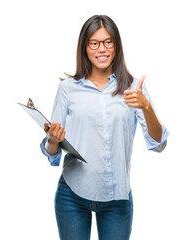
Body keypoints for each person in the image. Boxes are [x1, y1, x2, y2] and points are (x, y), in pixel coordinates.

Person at [40, 15, 169, 240]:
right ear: (85, 48)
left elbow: (158, 144)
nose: (102, 49)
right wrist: (53, 140)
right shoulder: (68, 88)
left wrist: (146, 107)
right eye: (94, 43)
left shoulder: (133, 88)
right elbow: (52, 150)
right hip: (72, 194)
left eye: (108, 42)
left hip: (116, 198)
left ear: (116, 46)